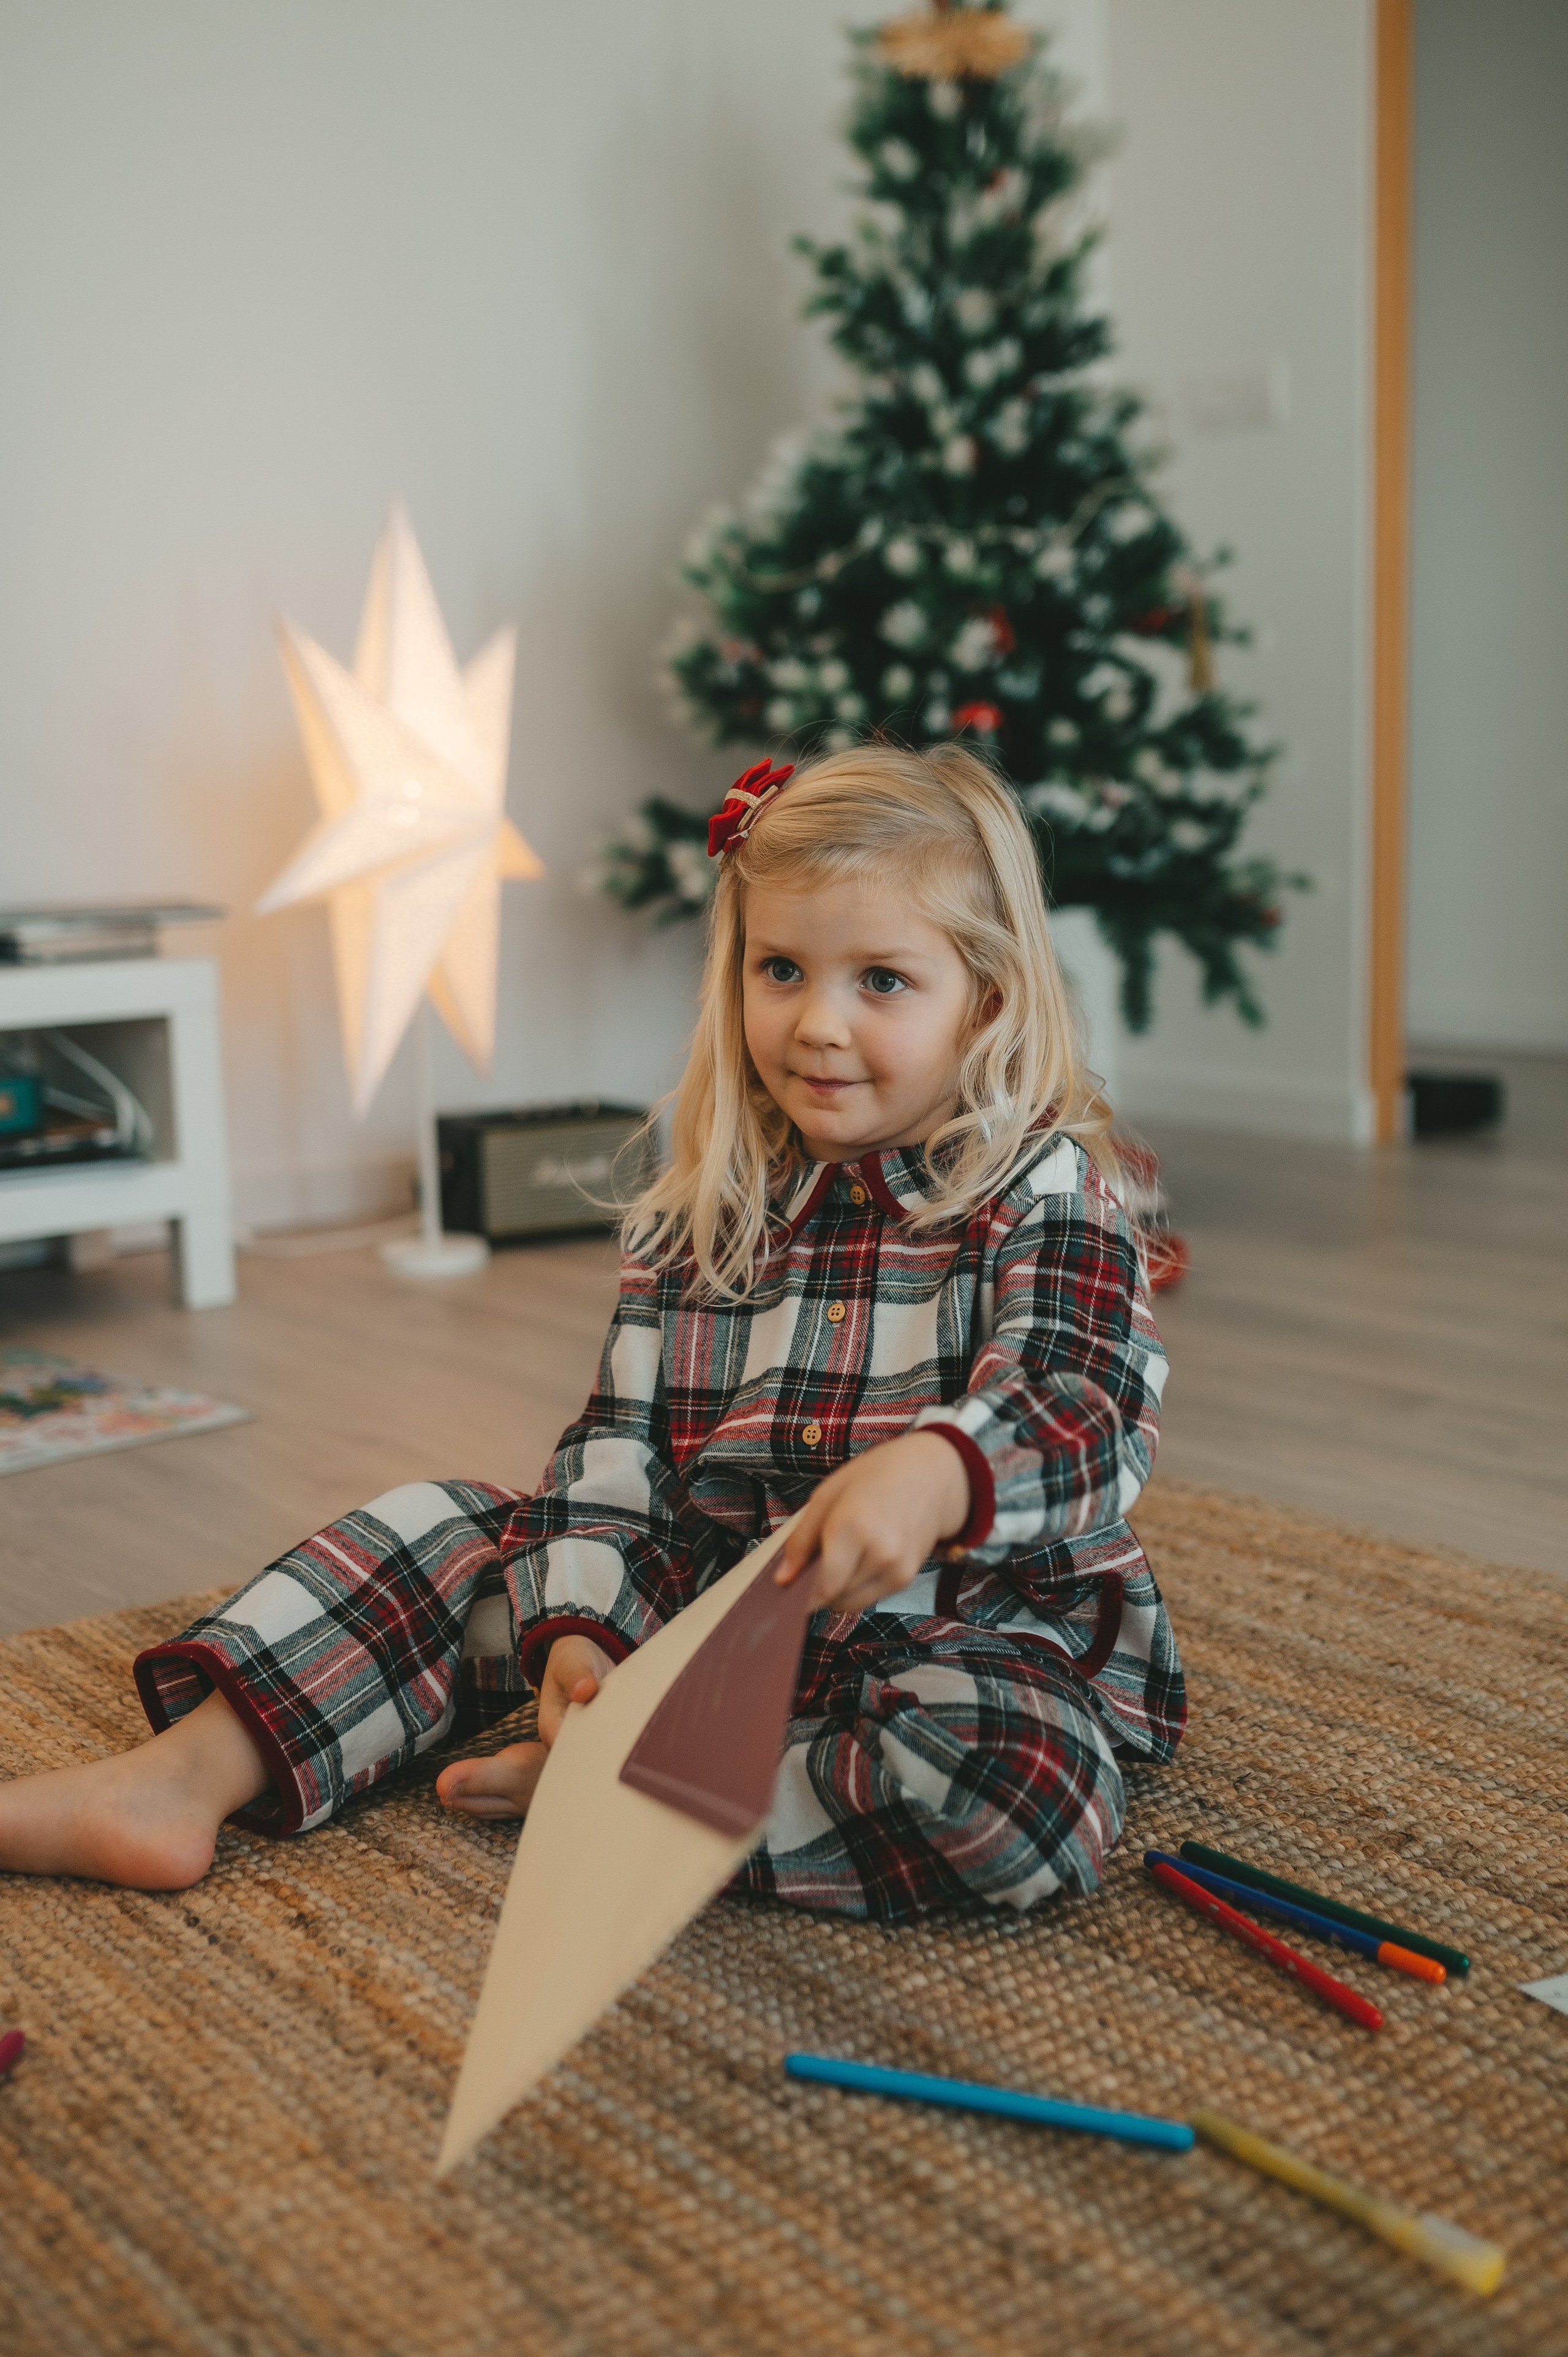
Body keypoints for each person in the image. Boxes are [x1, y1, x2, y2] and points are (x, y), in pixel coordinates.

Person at [0, 744, 1184, 1918]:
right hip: (715, 1615)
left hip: (964, 1634)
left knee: (1019, 1787)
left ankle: (638, 1803)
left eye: (881, 981)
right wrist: (580, 1630)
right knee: (449, 1531)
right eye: (782, 969)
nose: (818, 1024)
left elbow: (1083, 1404)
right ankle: (174, 1781)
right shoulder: (705, 1210)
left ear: (985, 998)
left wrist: (944, 1471)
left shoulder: (1046, 1190)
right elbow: (619, 1457)